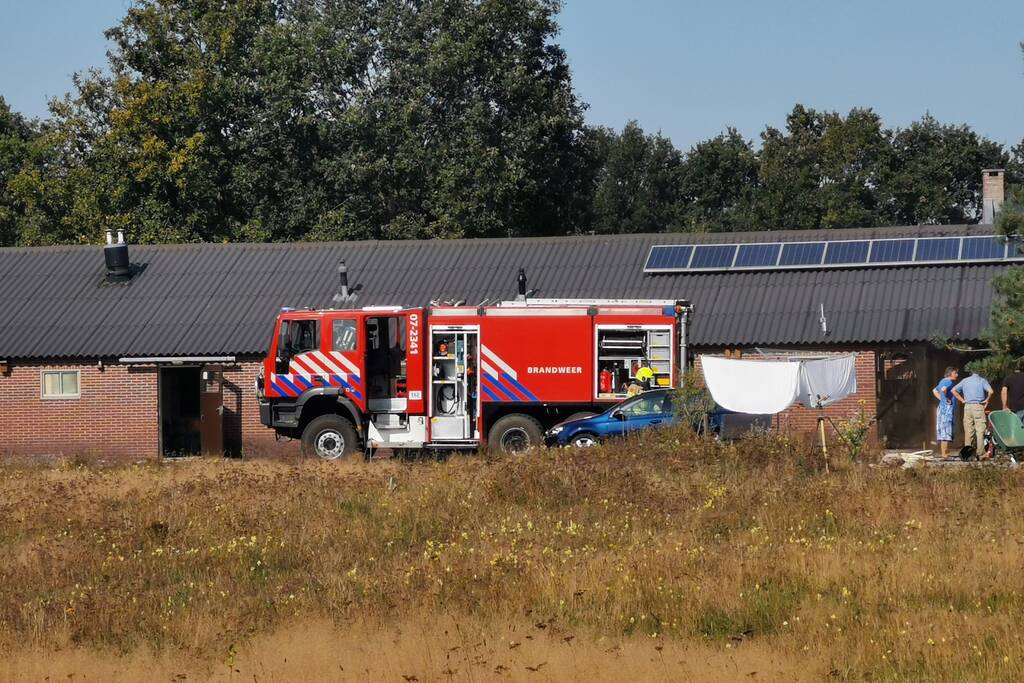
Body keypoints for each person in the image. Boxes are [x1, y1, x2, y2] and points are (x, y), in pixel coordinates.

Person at [952, 370, 994, 457]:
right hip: (978, 406)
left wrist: (962, 400)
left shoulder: (965, 380)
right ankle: (981, 453)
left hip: (967, 407)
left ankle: (968, 454)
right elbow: (991, 391)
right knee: (980, 430)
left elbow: (953, 390)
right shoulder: (982, 380)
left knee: (968, 431)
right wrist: (987, 400)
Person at [932, 366, 958, 457]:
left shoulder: (942, 380)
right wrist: (946, 398)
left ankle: (944, 452)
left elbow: (934, 390)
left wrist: (941, 399)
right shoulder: (948, 381)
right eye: (955, 373)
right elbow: (943, 389)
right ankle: (944, 453)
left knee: (943, 430)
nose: (957, 375)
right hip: (946, 409)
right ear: (950, 373)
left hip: (942, 408)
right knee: (946, 431)